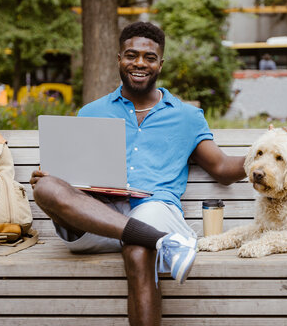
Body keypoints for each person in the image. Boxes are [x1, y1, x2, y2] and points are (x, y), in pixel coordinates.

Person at [30, 21, 245, 326]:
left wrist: (268, 151)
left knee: (138, 249)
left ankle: (149, 238)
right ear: (119, 58)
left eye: (150, 57)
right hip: (96, 216)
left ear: (160, 63)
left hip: (155, 208)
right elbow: (70, 176)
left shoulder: (186, 116)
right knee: (46, 189)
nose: (140, 63)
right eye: (131, 55)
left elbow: (222, 168)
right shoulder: (91, 112)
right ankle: (165, 242)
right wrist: (51, 176)